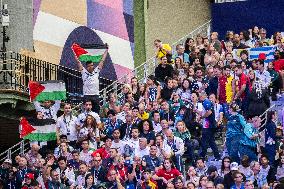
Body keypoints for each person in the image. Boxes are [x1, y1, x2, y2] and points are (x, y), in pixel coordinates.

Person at [73, 45, 108, 113]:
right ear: (87, 67)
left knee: (96, 113)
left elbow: (102, 60)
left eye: (92, 65)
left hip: (95, 95)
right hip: (87, 96)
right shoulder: (84, 72)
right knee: (86, 113)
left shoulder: (96, 71)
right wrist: (75, 52)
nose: (91, 67)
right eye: (89, 66)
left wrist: (106, 50)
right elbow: (78, 62)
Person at [199, 91, 220, 160]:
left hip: (208, 126)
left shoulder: (206, 102)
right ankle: (217, 156)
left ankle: (202, 156)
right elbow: (204, 112)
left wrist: (202, 117)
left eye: (200, 96)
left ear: (204, 96)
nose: (199, 97)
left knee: (204, 141)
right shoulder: (205, 102)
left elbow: (209, 112)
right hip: (209, 125)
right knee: (211, 142)